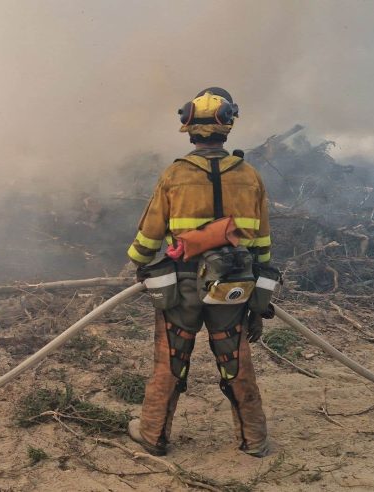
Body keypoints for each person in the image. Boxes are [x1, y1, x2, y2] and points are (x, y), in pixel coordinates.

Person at [126, 88, 272, 457]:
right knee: (235, 359)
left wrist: (140, 264)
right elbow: (262, 241)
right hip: (233, 286)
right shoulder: (249, 176)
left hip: (184, 285)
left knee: (171, 359)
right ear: (227, 127)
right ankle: (253, 439)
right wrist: (257, 291)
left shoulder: (175, 175)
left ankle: (153, 434)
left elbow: (150, 235)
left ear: (189, 129)